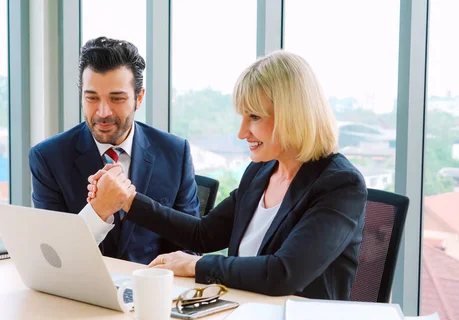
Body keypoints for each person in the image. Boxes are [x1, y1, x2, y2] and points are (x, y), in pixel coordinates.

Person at [87, 50, 367, 300]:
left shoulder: (340, 185)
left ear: (292, 116)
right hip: (245, 313)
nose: (242, 132)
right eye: (242, 117)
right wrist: (128, 200)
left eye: (254, 117)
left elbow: (285, 273)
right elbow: (203, 234)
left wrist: (195, 265)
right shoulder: (262, 171)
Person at [29, 36, 200, 265]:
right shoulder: (48, 158)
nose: (103, 112)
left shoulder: (175, 153)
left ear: (138, 98)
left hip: (151, 290)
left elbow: (190, 248)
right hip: (80, 293)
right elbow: (51, 254)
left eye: (116, 98)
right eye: (91, 98)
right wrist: (99, 211)